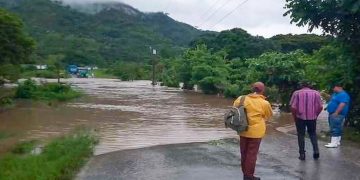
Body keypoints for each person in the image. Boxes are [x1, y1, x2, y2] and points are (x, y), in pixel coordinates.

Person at [233, 82, 273, 180]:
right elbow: (268, 116)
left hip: (242, 129)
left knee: (244, 152)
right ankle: (248, 176)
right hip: (256, 132)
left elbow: (234, 110)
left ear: (251, 89)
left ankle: (245, 173)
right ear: (262, 90)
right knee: (251, 154)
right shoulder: (264, 103)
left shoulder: (241, 99)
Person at [290, 81, 323, 160]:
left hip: (300, 118)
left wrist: (295, 117)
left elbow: (293, 107)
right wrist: (316, 115)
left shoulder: (296, 93)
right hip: (312, 118)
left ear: (301, 86)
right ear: (310, 86)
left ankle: (302, 154)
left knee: (301, 135)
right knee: (312, 134)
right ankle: (316, 151)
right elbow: (320, 107)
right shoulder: (316, 93)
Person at [325, 83, 350, 148]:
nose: (333, 89)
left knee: (335, 127)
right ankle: (337, 141)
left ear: (338, 87)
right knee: (337, 127)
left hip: (337, 114)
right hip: (332, 113)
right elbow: (332, 101)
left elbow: (342, 104)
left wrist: (336, 112)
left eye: (334, 88)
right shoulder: (336, 94)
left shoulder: (343, 95)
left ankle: (333, 143)